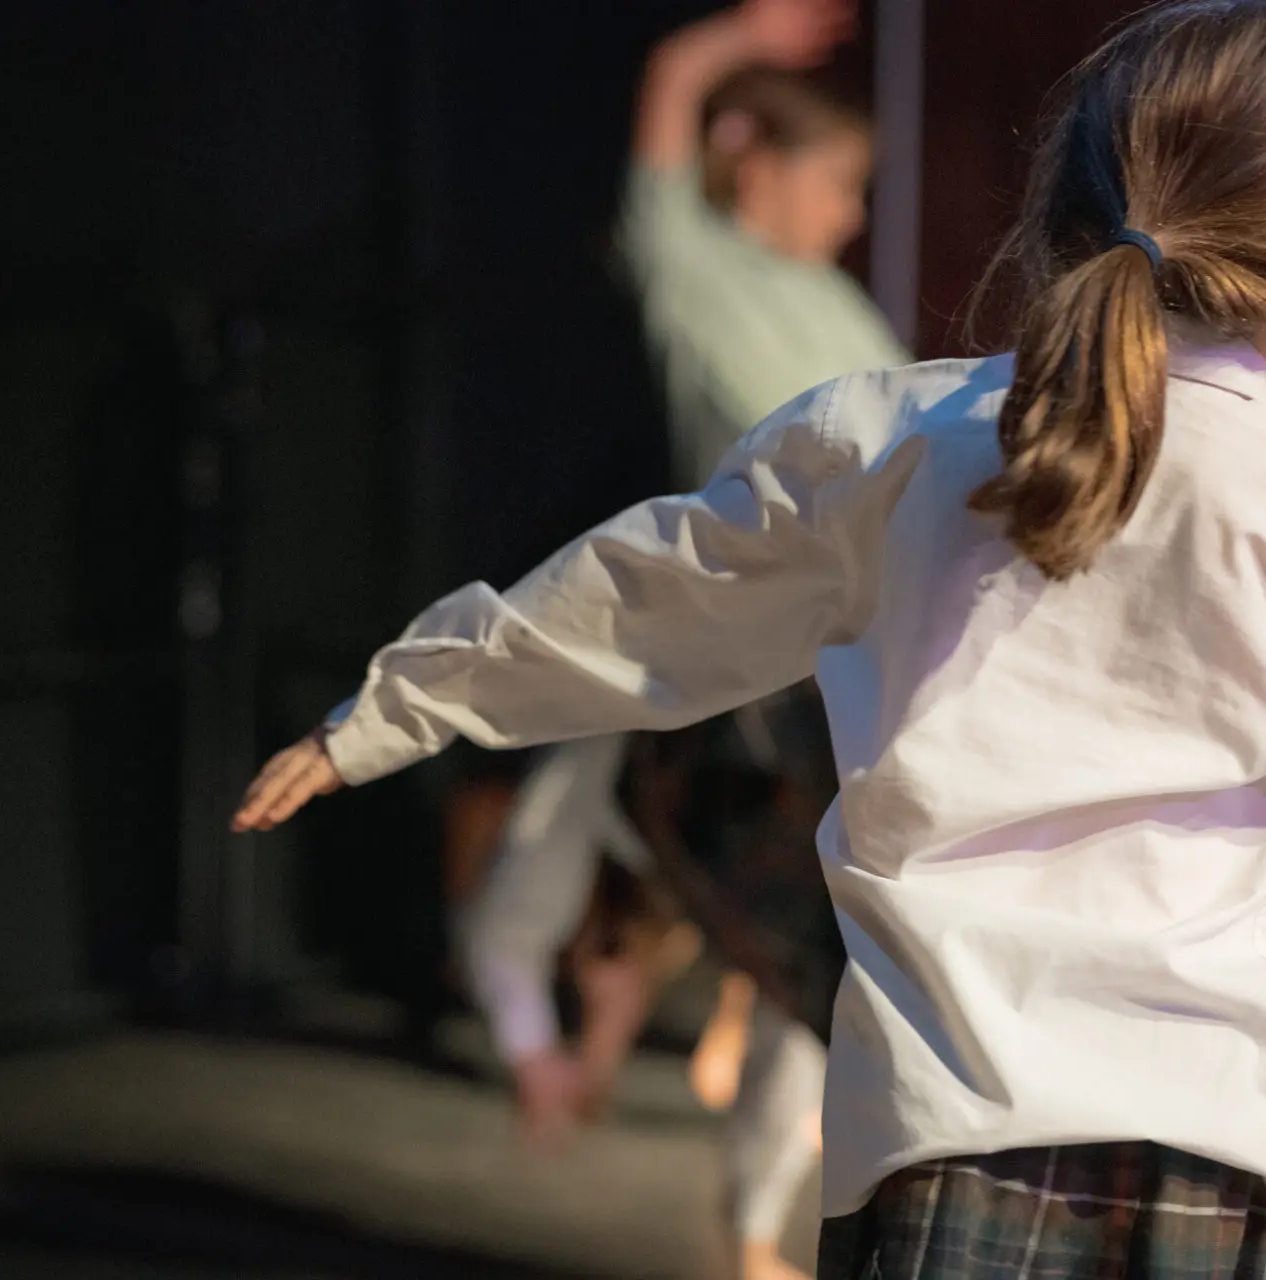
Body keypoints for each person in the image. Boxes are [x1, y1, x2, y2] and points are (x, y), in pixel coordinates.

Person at [236, 2, 1266, 1275]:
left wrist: (398, 707)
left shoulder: (890, 442)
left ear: (1070, 212)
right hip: (1205, 1165)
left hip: (938, 1146)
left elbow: (643, 594)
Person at [454, 3, 904, 1276]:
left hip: (841, 656)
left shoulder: (834, 309)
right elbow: (662, 98)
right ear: (752, 165)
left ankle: (763, 1215)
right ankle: (736, 1196)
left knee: (825, 948)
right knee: (786, 932)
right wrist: (739, 37)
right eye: (838, 182)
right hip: (739, 673)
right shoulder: (695, 267)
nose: (852, 213)